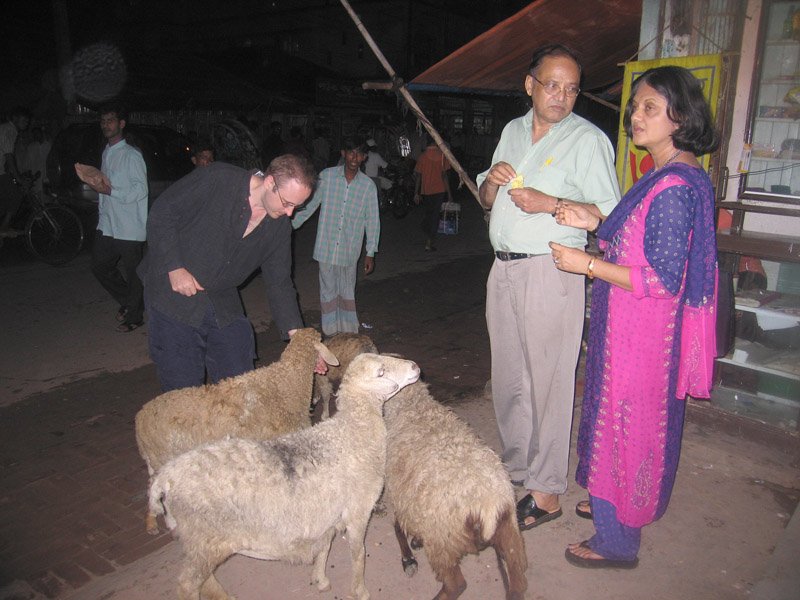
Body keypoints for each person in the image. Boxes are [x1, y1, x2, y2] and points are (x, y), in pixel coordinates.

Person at [550, 65, 719, 568]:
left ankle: (618, 540)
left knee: (623, 425)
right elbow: (644, 244)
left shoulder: (670, 187)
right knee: (623, 424)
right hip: (636, 328)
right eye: (635, 107)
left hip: (641, 333)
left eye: (649, 107)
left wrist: (587, 264)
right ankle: (613, 504)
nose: (635, 117)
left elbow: (662, 280)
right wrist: (596, 220)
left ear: (680, 116)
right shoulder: (672, 174)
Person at [476, 44, 620, 531]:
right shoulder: (513, 131)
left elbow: (611, 217)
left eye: (572, 88)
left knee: (550, 382)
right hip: (503, 268)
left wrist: (551, 203)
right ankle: (519, 468)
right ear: (530, 84)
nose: (562, 96)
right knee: (510, 378)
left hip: (552, 271)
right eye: (552, 84)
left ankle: (547, 491)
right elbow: (483, 197)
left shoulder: (589, 141)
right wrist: (492, 184)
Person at [138, 154, 318, 392]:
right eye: (287, 203)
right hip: (174, 295)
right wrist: (174, 266)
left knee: (240, 385)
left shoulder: (278, 226)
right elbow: (162, 214)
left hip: (222, 300)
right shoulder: (217, 179)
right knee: (183, 393)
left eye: (298, 206)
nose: (290, 214)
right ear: (270, 182)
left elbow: (280, 283)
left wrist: (300, 340)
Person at [292, 137, 380, 336]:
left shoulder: (367, 186)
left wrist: (370, 252)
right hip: (326, 246)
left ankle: (348, 332)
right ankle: (331, 331)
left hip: (350, 248)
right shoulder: (327, 177)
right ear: (343, 153)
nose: (354, 157)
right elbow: (310, 206)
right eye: (351, 152)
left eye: (359, 154)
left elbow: (372, 220)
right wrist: (289, 225)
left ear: (364, 157)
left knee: (347, 290)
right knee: (328, 291)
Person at [80, 103, 149, 333]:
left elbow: (141, 190)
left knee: (134, 273)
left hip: (129, 226)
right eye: (103, 121)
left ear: (121, 124)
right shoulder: (106, 153)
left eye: (110, 120)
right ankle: (130, 301)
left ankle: (136, 316)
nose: (105, 124)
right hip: (109, 225)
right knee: (99, 265)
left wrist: (112, 192)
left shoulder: (131, 155)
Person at [413, 136, 452, 251]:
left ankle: (428, 231)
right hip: (439, 190)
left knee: (430, 214)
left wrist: (416, 192)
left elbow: (418, 177)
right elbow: (445, 177)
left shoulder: (423, 156)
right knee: (435, 216)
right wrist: (449, 194)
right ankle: (429, 242)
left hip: (426, 190)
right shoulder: (442, 156)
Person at [0, 107, 31, 236]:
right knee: (17, 195)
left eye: (27, 121)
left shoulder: (5, 128)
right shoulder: (10, 130)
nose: (26, 123)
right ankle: (4, 227)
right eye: (23, 120)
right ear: (15, 119)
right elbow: (8, 155)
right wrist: (18, 178)